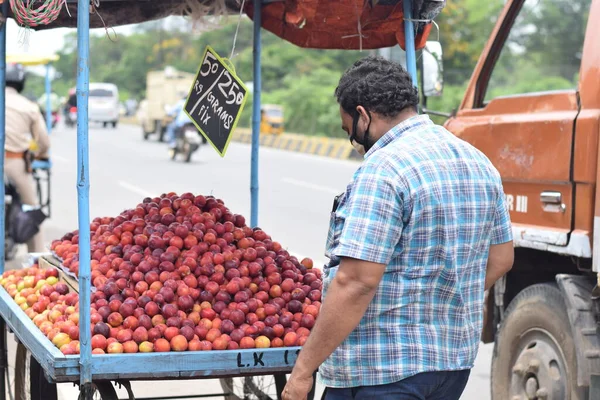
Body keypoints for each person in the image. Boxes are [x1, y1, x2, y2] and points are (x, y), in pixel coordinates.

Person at [282, 55, 514, 400]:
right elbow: (501, 260)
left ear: (364, 116)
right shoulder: (477, 161)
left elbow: (356, 281)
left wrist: (302, 373)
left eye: (351, 133)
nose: (356, 143)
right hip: (451, 367)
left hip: (382, 371)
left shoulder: (383, 169)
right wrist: (436, 299)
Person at [5, 63, 50, 253]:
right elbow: (44, 142)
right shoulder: (29, 106)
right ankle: (36, 260)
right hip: (15, 164)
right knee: (31, 211)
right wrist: (38, 154)